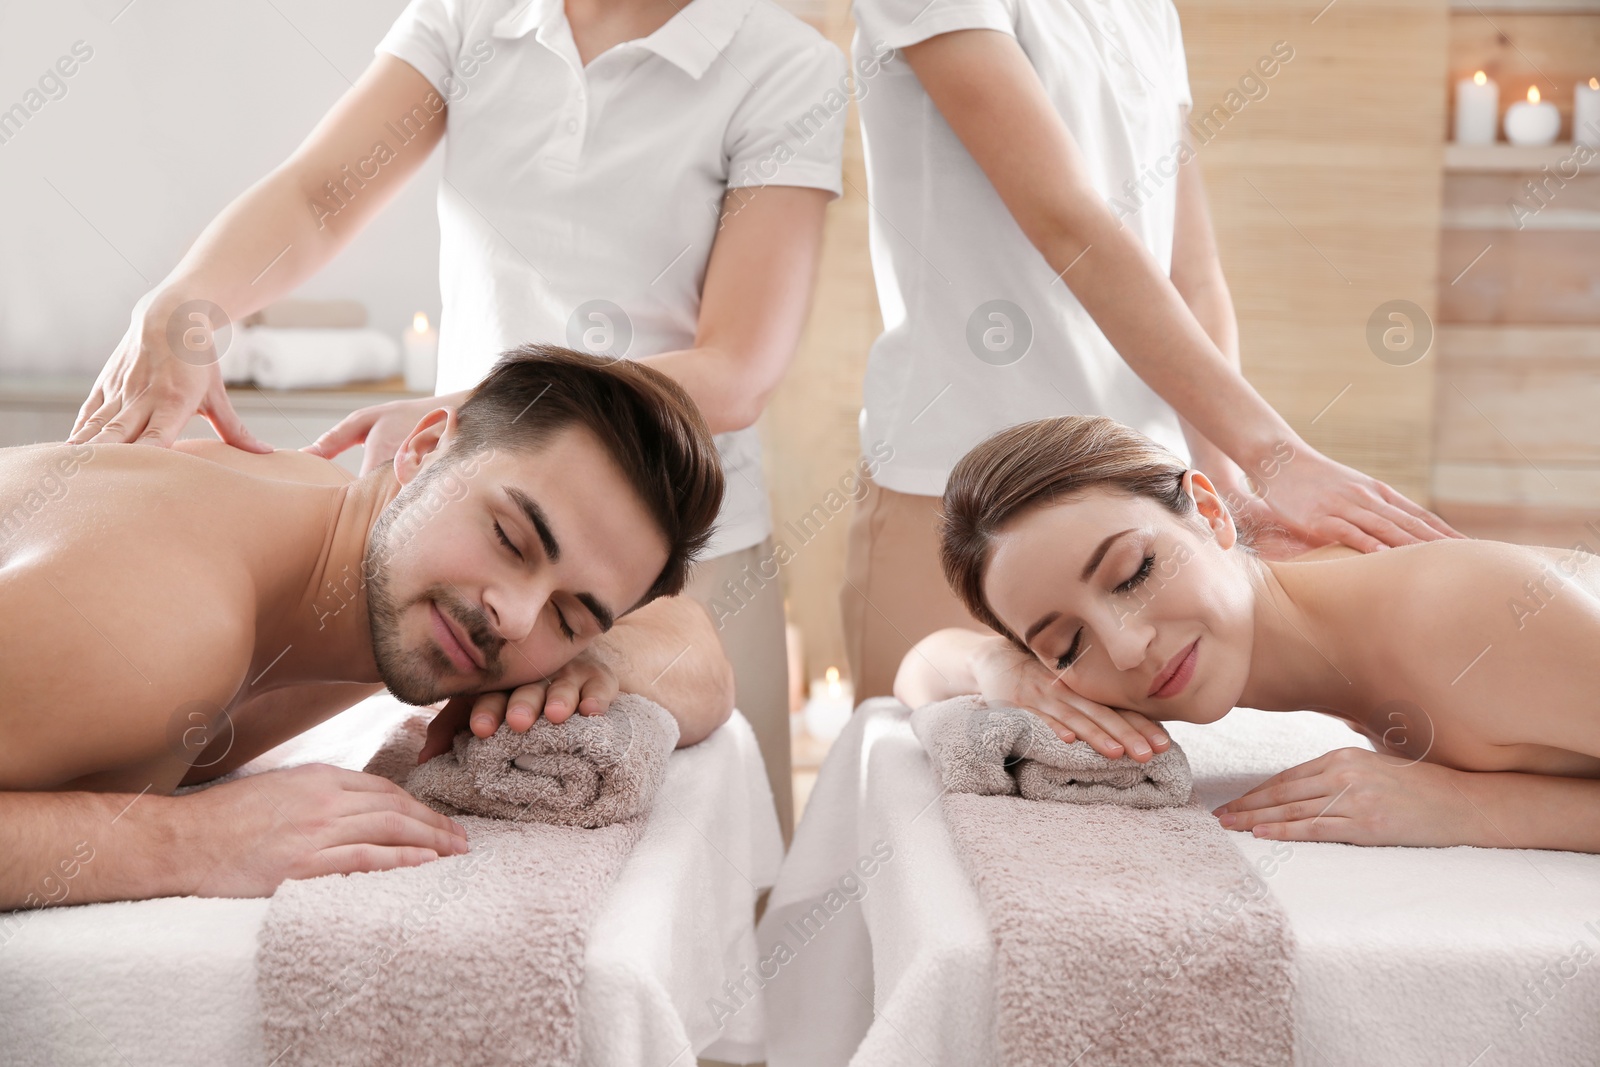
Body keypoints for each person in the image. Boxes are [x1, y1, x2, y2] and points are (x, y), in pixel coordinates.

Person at [66, 0, 848, 842]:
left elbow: (735, 370)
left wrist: (473, 406)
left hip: (683, 545)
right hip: (474, 522)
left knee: (718, 858)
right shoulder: (475, 14)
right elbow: (318, 196)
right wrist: (188, 301)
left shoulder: (782, 63)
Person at [837, 0, 1462, 725]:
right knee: (920, 789)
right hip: (953, 496)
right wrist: (1277, 454)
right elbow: (1065, 220)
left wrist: (1225, 481)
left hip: (1128, 506)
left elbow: (1189, 273)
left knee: (1133, 799)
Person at [0, 346, 734, 910]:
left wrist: (594, 666)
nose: (514, 616)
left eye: (569, 614)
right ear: (419, 453)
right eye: (512, 539)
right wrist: (183, 843)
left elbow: (701, 656)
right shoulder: (171, 619)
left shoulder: (342, 539)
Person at [897, 415, 1600, 853]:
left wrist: (1476, 809)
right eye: (1065, 644)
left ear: (1208, 510)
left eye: (1134, 572)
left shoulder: (1463, 613)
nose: (1127, 646)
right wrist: (1004, 666)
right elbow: (920, 668)